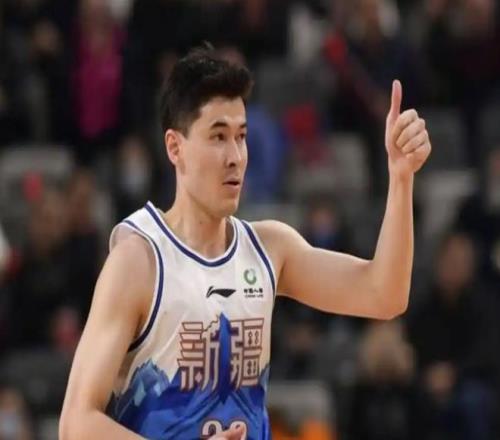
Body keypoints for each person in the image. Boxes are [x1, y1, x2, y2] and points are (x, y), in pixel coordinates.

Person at [59, 47, 431, 440]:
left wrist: (400, 178)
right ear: (175, 147)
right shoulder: (138, 261)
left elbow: (384, 295)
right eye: (218, 137)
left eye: (241, 137)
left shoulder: (269, 248)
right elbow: (76, 424)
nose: (235, 156)